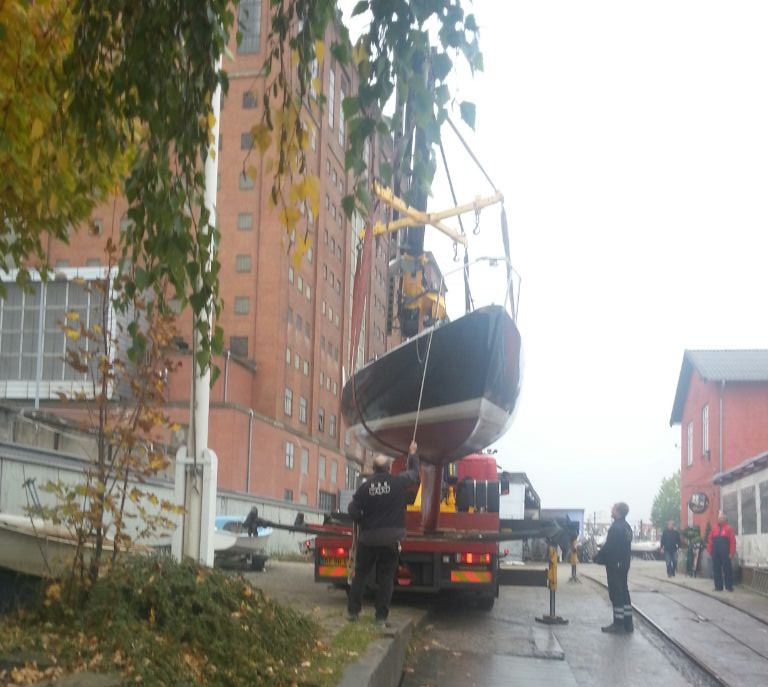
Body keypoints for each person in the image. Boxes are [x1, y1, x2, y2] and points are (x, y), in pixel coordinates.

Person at [347, 441, 420, 626]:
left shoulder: (365, 487)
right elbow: (414, 474)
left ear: (373, 469)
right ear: (389, 468)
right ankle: (380, 618)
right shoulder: (398, 482)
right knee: (386, 578)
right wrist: (412, 453)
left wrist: (362, 521)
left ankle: (353, 613)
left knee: (360, 575)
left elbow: (352, 509)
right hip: (390, 539)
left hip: (368, 539)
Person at [594, 502, 634, 634]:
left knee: (616, 593)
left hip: (615, 564)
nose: (611, 510)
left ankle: (618, 624)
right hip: (624, 563)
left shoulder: (615, 528)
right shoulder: (627, 527)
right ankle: (628, 623)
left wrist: (597, 557)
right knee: (624, 592)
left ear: (618, 511)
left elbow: (609, 546)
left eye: (613, 509)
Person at [707, 511, 736, 592]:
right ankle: (718, 587)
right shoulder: (714, 528)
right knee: (716, 569)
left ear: (725, 519)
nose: (719, 519)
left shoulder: (729, 528)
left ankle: (729, 586)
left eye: (721, 518)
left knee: (727, 569)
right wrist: (709, 551)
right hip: (715, 552)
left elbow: (732, 541)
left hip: (725, 552)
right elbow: (710, 540)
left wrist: (731, 553)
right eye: (719, 518)